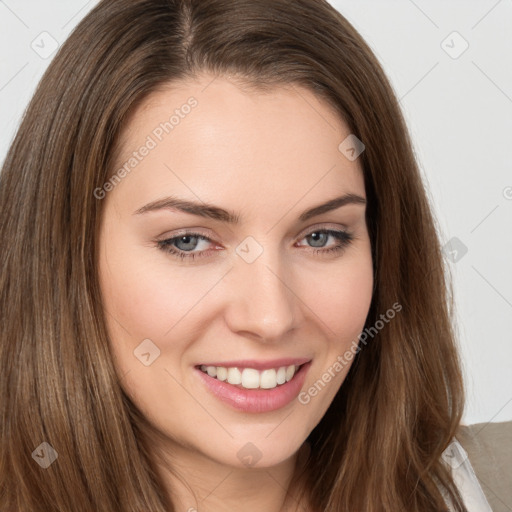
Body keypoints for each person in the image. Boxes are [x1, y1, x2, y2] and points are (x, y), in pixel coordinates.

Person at [0, 0, 493, 510]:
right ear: (65, 258)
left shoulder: (470, 489)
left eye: (321, 236)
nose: (270, 317)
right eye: (188, 241)